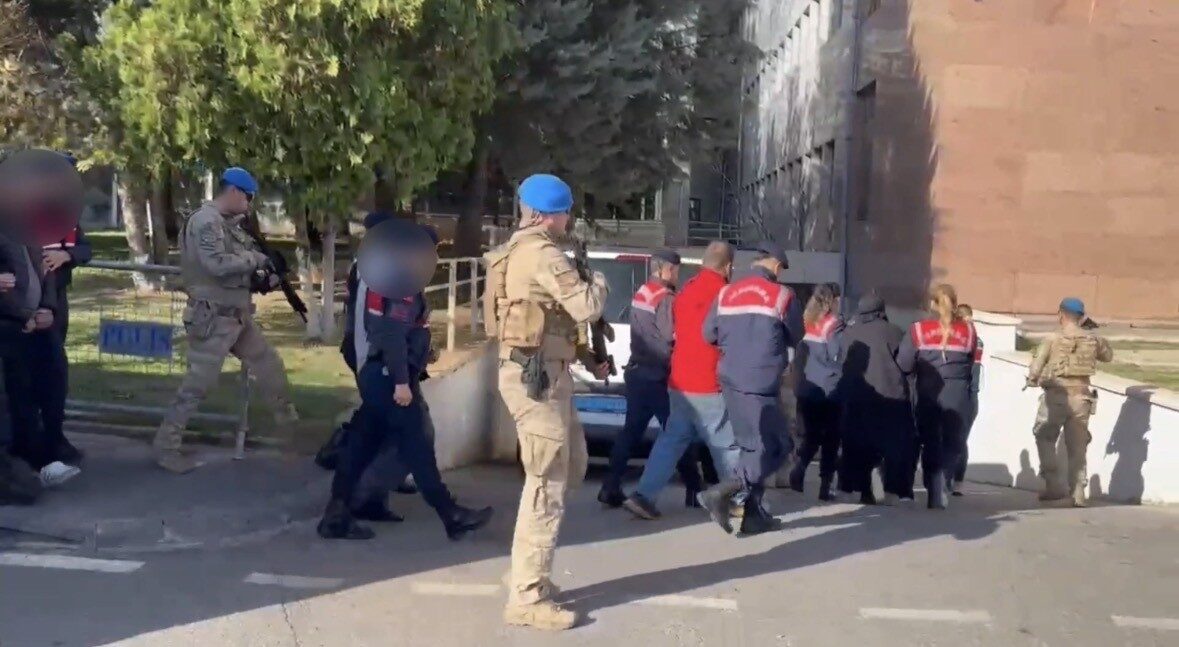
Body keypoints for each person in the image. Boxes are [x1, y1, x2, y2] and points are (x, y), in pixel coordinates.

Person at [485, 173, 609, 631]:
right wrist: (599, 281)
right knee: (547, 481)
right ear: (546, 215)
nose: (568, 219)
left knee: (570, 467)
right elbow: (586, 306)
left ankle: (525, 570)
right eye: (565, 211)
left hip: (546, 374)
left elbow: (551, 322)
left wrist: (588, 357)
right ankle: (527, 596)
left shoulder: (526, 250)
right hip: (536, 381)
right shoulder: (541, 253)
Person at [317, 223, 492, 541]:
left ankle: (336, 514)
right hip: (390, 377)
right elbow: (391, 335)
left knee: (360, 445)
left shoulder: (387, 276)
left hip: (378, 375)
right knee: (417, 445)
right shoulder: (400, 283)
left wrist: (422, 352)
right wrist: (401, 382)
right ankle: (450, 514)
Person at [153, 167, 305, 474]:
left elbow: (236, 269)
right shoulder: (206, 221)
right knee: (197, 386)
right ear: (233, 191)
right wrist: (255, 260)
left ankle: (291, 432)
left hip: (237, 316)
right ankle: (166, 447)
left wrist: (265, 275)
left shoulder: (229, 225)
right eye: (248, 197)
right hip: (212, 318)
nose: (250, 204)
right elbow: (217, 265)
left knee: (269, 365)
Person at [622, 242, 742, 520]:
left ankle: (643, 496)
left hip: (678, 382)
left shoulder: (686, 289)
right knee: (725, 444)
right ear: (728, 267)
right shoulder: (725, 294)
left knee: (671, 441)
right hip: (707, 381)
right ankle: (739, 500)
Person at [698, 241, 798, 536]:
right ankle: (723, 491)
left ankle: (753, 515)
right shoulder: (782, 295)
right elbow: (796, 334)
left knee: (752, 447)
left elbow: (708, 334)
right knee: (775, 447)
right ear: (776, 266)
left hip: (730, 379)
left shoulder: (726, 293)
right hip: (761, 382)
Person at [599, 249, 703, 511]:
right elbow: (670, 335)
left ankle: (610, 486)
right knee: (678, 431)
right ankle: (694, 489)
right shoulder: (665, 298)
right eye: (675, 270)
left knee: (630, 433)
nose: (677, 274)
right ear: (665, 269)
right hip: (658, 376)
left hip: (637, 373)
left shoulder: (643, 292)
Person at [896, 285, 978, 509]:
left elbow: (904, 364)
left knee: (930, 439)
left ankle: (933, 483)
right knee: (953, 441)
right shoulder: (969, 332)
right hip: (958, 392)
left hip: (928, 391)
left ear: (932, 304)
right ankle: (943, 479)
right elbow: (971, 361)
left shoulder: (918, 330)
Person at [1025, 298, 1113, 507]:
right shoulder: (1092, 339)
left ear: (1061, 314)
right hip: (1082, 397)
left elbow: (1036, 368)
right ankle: (1078, 490)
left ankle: (1053, 486)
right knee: (1078, 446)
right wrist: (1094, 337)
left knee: (1044, 437)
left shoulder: (1052, 338)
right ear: (1081, 317)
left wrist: (1032, 380)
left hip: (1056, 396)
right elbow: (1108, 356)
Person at [835, 293, 914, 505]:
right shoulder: (894, 331)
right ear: (881, 311)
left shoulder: (849, 332)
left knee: (855, 444)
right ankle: (892, 492)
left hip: (856, 396)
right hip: (890, 397)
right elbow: (906, 365)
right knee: (893, 446)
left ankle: (856, 489)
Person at [788, 283, 844, 501]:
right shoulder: (833, 324)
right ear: (833, 301)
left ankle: (799, 470)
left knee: (811, 435)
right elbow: (837, 355)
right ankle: (825, 485)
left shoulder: (806, 321)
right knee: (831, 438)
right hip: (829, 389)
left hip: (806, 388)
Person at [951, 303, 982, 496]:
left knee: (957, 440)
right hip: (970, 395)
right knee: (960, 440)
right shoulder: (976, 341)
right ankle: (957, 482)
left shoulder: (964, 341)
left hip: (963, 394)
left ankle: (953, 480)